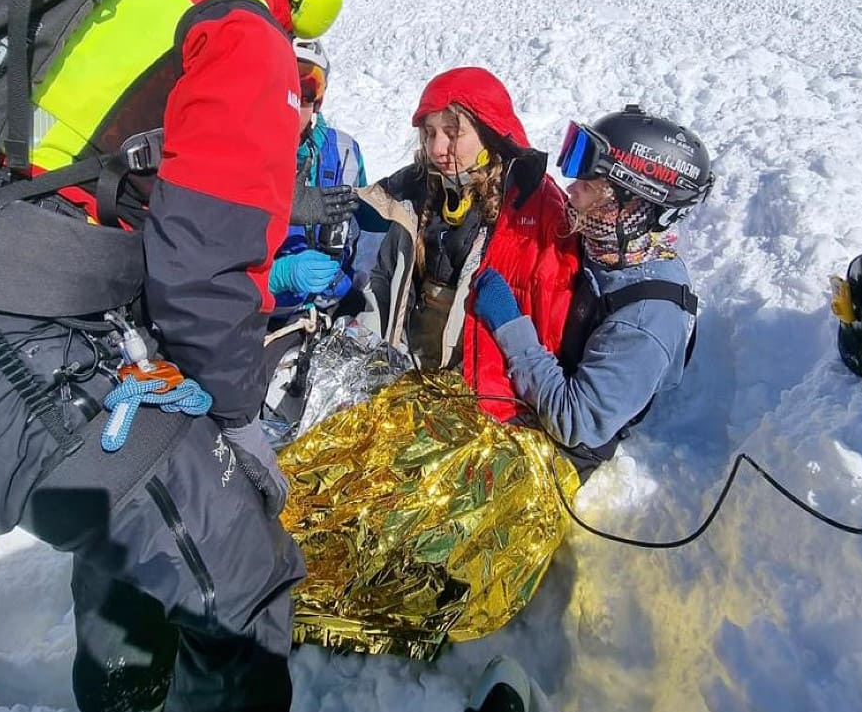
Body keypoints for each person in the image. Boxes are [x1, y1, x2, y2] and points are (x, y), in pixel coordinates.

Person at [0, 0, 343, 712]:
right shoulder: (239, 26)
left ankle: (124, 692)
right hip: (7, 328)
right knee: (244, 584)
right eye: (314, 2)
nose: (307, 29)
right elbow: (204, 269)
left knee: (134, 516)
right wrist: (237, 423)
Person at [472, 104, 715, 476]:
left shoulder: (645, 321)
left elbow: (574, 421)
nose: (571, 191)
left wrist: (511, 326)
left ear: (629, 205)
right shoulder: (608, 247)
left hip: (565, 447)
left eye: (587, 186)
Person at [355, 66, 581, 419]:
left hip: (477, 391)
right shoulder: (418, 186)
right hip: (407, 366)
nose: (437, 148)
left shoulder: (530, 205)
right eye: (429, 133)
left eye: (452, 132)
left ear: (488, 133)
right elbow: (360, 209)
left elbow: (552, 305)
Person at [268, 38, 367, 321]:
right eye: (279, 87)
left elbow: (373, 220)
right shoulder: (238, 153)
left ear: (319, 101)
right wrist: (277, 275)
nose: (289, 104)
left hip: (334, 310)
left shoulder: (345, 151)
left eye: (304, 92)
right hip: (260, 316)